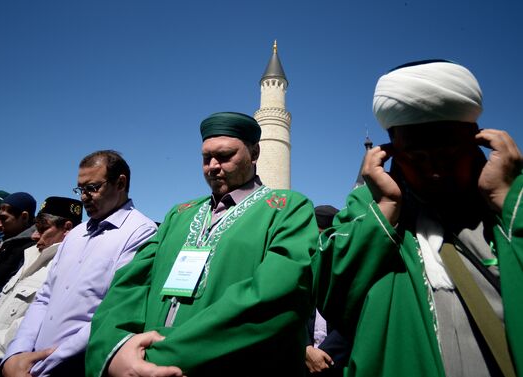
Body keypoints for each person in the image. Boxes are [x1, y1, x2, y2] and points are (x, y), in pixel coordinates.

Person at [316, 60, 523, 377]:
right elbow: (334, 297)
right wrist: (386, 206)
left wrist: (505, 200)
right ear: (389, 153)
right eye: (416, 158)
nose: (436, 170)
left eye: (451, 154)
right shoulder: (371, 209)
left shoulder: (511, 203)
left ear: (481, 141)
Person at [86, 112, 318, 377]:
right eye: (206, 158)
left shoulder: (288, 209)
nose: (213, 166)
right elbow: (130, 285)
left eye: (225, 155)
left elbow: (275, 295)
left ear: (254, 153)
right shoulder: (180, 214)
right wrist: (116, 350)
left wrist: (154, 359)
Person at [2, 150, 157, 377]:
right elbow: (45, 297)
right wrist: (16, 353)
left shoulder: (140, 232)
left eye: (92, 188)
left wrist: (43, 366)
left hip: (73, 367)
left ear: (120, 183)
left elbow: (111, 312)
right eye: (81, 189)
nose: (84, 197)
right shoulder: (75, 235)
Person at [0, 196, 83, 376]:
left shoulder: (68, 269)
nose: (34, 235)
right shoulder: (32, 256)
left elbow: (26, 330)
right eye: (35, 227)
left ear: (67, 229)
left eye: (43, 229)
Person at [306, 205, 349, 376]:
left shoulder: (349, 271)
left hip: (337, 364)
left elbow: (354, 321)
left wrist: (324, 356)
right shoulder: (301, 268)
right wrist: (305, 349)